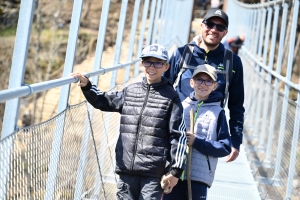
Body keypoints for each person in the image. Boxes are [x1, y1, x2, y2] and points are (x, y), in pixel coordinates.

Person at [71, 44, 187, 200]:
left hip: (153, 173)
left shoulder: (171, 97)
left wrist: (175, 172)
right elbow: (104, 101)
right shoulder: (131, 91)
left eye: (158, 63)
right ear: (142, 64)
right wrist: (87, 86)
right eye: (147, 62)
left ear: (166, 67)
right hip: (126, 168)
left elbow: (179, 136)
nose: (152, 67)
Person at [163, 8, 244, 162]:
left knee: (197, 183)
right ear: (202, 25)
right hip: (176, 129)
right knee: (166, 181)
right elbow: (163, 90)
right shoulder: (182, 54)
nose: (214, 30)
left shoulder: (233, 62)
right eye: (210, 24)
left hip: (208, 136)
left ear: (225, 33)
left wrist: (236, 140)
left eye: (220, 27)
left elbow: (237, 105)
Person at [163, 64, 232, 200]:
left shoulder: (218, 113)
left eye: (208, 81)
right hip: (174, 173)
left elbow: (225, 147)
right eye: (199, 79)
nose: (203, 84)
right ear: (191, 82)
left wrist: (197, 142)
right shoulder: (180, 107)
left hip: (199, 177)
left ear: (214, 86)